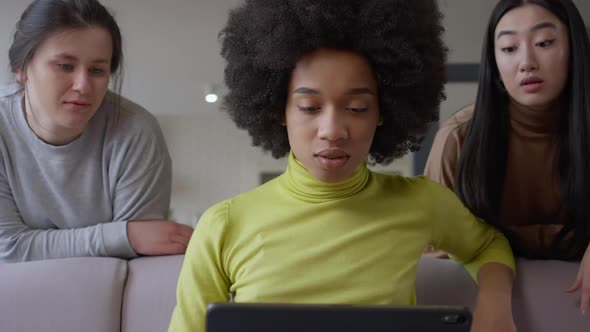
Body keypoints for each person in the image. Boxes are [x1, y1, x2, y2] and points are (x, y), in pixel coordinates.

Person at [168, 0, 517, 331]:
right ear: (279, 110)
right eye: (309, 107)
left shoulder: (422, 202)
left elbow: (487, 244)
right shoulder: (223, 225)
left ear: (383, 113)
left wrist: (495, 302)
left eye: (357, 108)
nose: (333, 131)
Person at [425, 0, 590, 315]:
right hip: (481, 309)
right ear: (495, 64)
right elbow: (434, 257)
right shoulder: (459, 138)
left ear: (574, 49)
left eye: (544, 43)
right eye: (509, 48)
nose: (527, 62)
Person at [0, 0, 193, 263]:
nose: (83, 85)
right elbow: (7, 248)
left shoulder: (136, 131)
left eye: (97, 70)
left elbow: (139, 259)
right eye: (65, 66)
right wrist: (124, 236)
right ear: (21, 69)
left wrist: (129, 239)